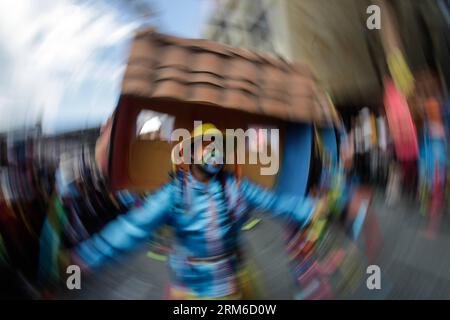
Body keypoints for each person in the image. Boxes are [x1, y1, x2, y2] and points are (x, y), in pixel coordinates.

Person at [64, 123, 328, 299]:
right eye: (206, 144)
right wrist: (87, 257)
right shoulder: (174, 195)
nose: (214, 151)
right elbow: (132, 227)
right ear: (190, 153)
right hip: (192, 291)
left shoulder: (237, 187)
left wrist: (313, 210)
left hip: (236, 282)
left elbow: (276, 203)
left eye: (218, 145)